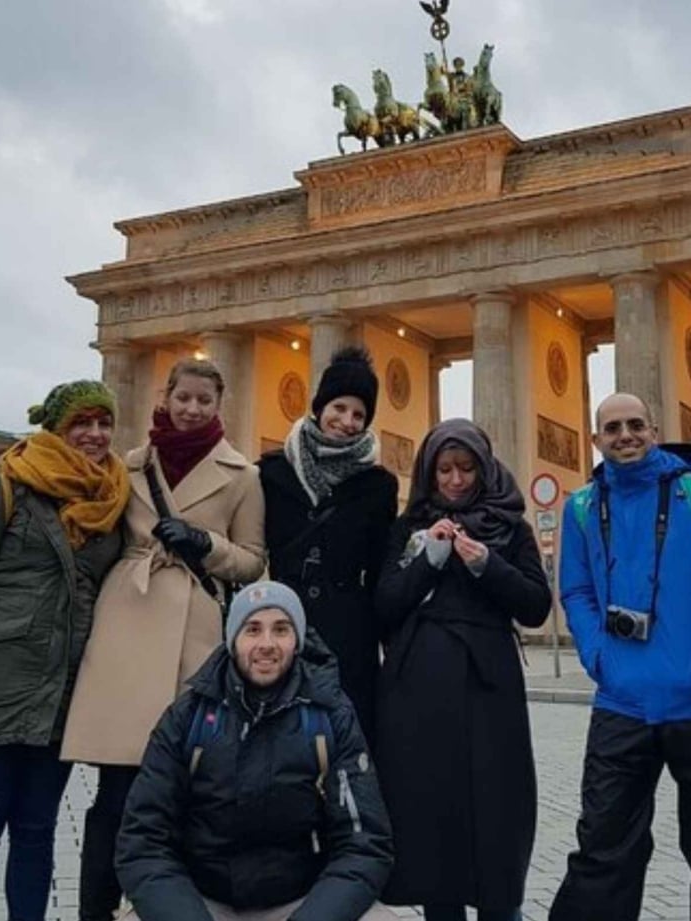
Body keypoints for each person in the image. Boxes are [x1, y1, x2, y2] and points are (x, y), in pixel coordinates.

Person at [63, 358, 267, 921]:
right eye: (184, 398)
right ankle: (96, 911)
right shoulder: (128, 466)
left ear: (218, 406)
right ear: (167, 397)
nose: (192, 409)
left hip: (193, 633)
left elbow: (253, 563)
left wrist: (205, 544)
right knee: (115, 794)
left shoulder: (243, 476)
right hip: (128, 620)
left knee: (187, 791)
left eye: (204, 401)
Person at [548, 393, 691, 921]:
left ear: (654, 429)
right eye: (613, 427)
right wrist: (597, 654)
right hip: (621, 702)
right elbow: (575, 592)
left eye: (635, 425)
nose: (625, 435)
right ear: (596, 438)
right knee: (601, 851)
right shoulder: (580, 507)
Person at [0, 380, 130, 921]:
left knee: (36, 832)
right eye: (81, 424)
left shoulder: (112, 497)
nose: (94, 435)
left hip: (62, 693)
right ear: (57, 429)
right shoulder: (8, 487)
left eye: (103, 423)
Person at [116, 581, 396, 921]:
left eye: (281, 629)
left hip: (301, 902)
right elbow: (143, 842)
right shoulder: (188, 717)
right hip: (201, 901)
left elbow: (364, 845)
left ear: (298, 641)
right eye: (252, 630)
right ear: (233, 640)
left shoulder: (329, 715)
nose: (267, 644)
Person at [374, 418, 551, 921]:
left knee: (498, 814)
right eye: (444, 470)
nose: (454, 480)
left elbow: (536, 605)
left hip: (489, 691)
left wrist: (486, 564)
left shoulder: (510, 528)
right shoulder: (409, 528)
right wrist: (427, 558)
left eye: (466, 469)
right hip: (417, 697)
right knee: (432, 820)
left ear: (484, 469)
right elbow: (384, 606)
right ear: (429, 473)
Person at [259, 346, 397, 743]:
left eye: (359, 414)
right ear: (319, 407)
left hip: (349, 636)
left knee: (345, 741)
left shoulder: (379, 486)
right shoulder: (271, 472)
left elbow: (379, 567)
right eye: (339, 407)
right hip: (283, 625)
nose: (347, 421)